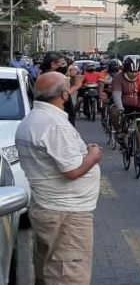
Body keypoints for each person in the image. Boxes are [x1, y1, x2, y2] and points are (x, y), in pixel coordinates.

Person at [15, 72, 102, 285]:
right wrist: (93, 155)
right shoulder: (53, 125)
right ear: (65, 94)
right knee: (67, 276)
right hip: (66, 215)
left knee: (47, 271)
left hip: (50, 208)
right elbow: (72, 171)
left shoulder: (33, 119)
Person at [111, 57, 140, 153]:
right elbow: (117, 94)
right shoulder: (118, 77)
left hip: (139, 106)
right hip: (124, 106)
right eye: (131, 72)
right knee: (114, 112)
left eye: (136, 71)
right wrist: (120, 108)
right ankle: (120, 132)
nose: (134, 74)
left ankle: (138, 151)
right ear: (125, 70)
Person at [40, 52, 82, 127]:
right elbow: (60, 97)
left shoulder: (49, 75)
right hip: (58, 122)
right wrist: (76, 86)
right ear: (53, 65)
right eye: (62, 64)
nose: (65, 66)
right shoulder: (50, 77)